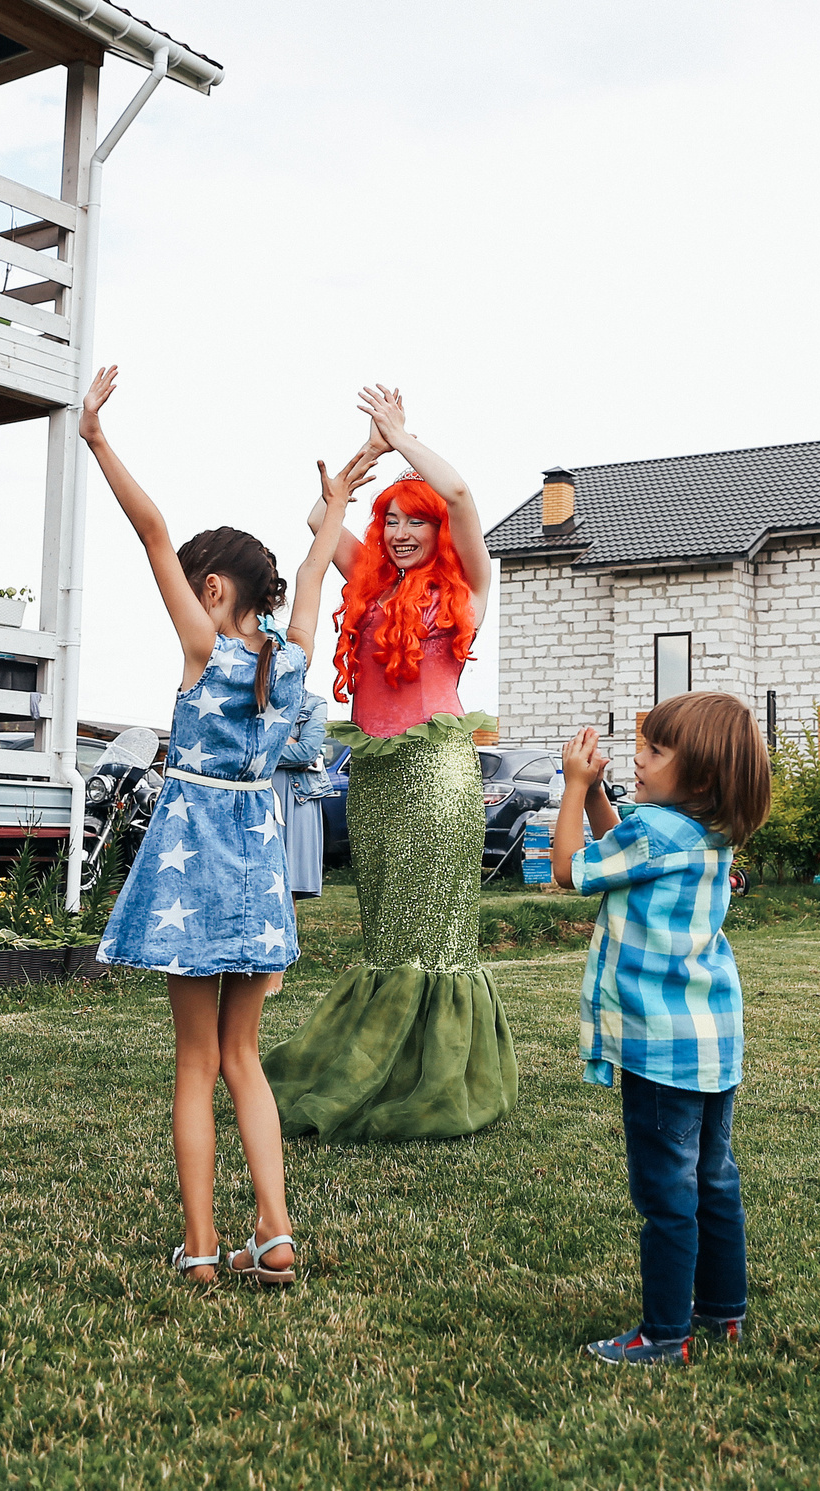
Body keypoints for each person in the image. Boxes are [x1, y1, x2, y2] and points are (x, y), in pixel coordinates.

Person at [82, 365, 359, 1284]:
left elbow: (150, 527)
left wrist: (96, 438)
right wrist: (331, 512)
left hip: (192, 868)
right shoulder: (290, 655)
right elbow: (317, 570)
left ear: (210, 588)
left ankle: (201, 1248)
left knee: (194, 1062)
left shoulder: (204, 651)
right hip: (258, 864)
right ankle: (275, 1235)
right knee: (246, 1058)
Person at [260, 388, 518, 1141]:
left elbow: (464, 493)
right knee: (387, 932)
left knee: (432, 934)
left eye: (416, 520)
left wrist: (402, 438)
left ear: (438, 529)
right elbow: (320, 522)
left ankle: (437, 1083)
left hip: (436, 773)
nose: (401, 531)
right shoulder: (371, 583)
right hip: (372, 775)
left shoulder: (465, 585)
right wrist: (361, 464)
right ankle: (379, 1066)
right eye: (393, 519)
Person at [551, 692, 770, 1364]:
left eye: (656, 748)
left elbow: (568, 870)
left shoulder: (656, 833)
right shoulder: (706, 832)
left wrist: (574, 787)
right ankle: (722, 1311)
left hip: (658, 1046)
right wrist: (598, 802)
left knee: (665, 1191)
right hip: (711, 1039)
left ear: (699, 776)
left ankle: (664, 1333)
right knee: (712, 1177)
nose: (640, 758)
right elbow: (625, 845)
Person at [262, 688, 331, 999]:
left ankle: (276, 974)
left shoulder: (313, 704)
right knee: (257, 882)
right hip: (257, 793)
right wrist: (287, 742)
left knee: (283, 885)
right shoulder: (255, 695)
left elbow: (307, 751)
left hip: (297, 798)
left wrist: (265, 745)